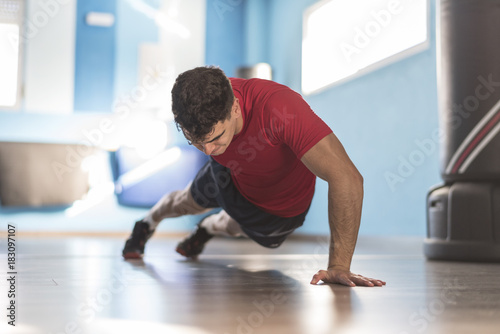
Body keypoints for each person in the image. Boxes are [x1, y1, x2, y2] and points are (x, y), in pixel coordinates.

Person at [122, 66, 385, 287]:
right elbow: (208, 142)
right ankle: (145, 224)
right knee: (185, 201)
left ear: (235, 107)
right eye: (196, 143)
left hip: (279, 208)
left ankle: (205, 229)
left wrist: (339, 265)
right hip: (230, 174)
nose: (208, 151)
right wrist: (209, 141)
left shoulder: (280, 109)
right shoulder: (204, 110)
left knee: (232, 226)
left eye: (215, 138)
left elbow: (347, 178)